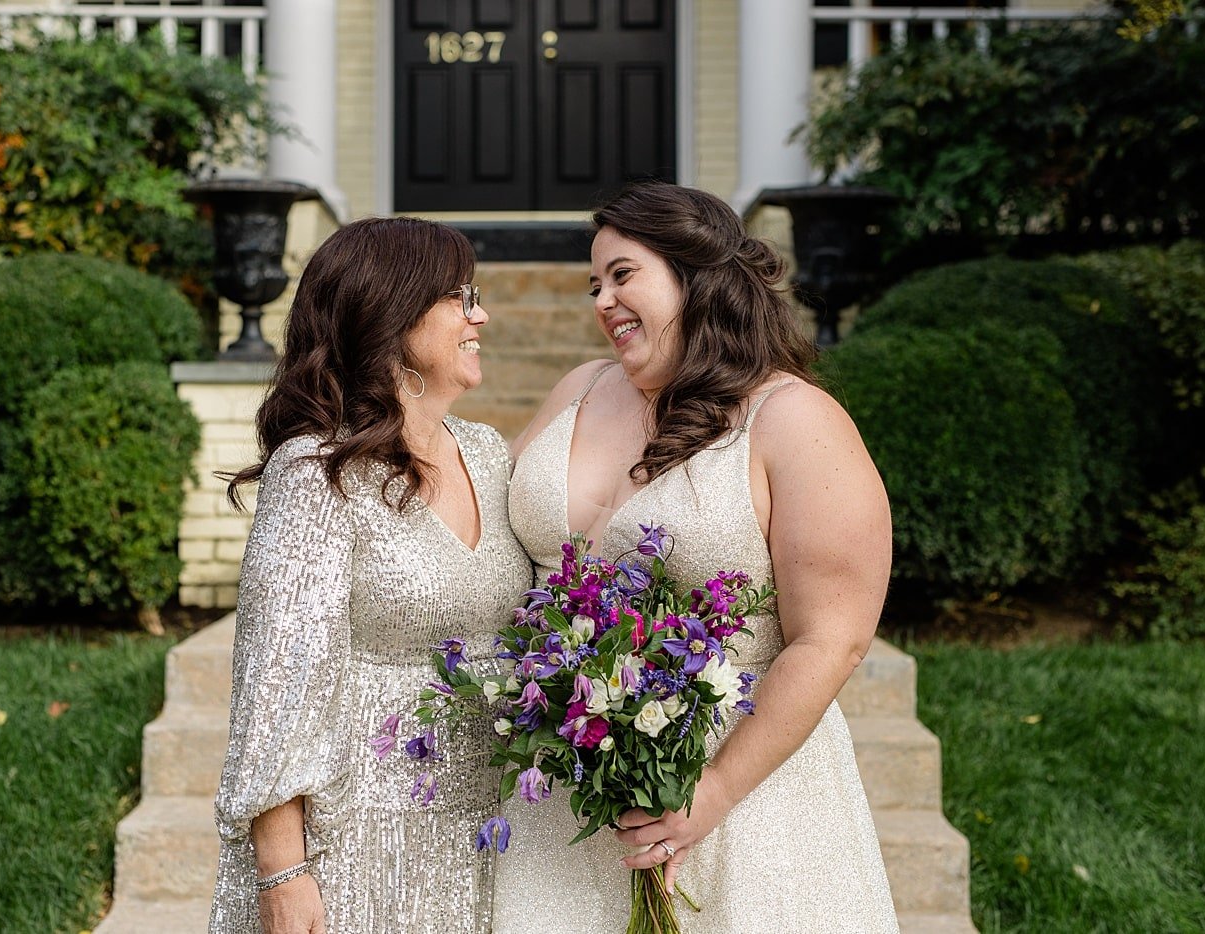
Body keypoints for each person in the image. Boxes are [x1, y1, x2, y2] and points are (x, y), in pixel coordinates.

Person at [496, 182, 899, 932]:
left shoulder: (793, 419)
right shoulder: (579, 389)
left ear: (696, 275)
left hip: (737, 783)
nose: (602, 301)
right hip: (569, 785)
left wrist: (706, 796)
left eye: (622, 274)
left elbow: (832, 639)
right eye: (593, 284)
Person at [210, 217, 533, 934]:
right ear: (390, 312)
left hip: (490, 834)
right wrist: (285, 875)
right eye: (458, 298)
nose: (481, 314)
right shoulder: (316, 473)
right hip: (358, 847)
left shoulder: (488, 453)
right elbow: (276, 689)